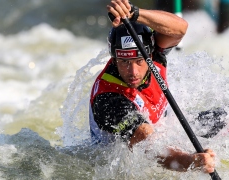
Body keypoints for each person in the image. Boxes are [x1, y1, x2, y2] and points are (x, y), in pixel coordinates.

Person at [89, 0, 216, 173]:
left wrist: (135, 13)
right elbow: (150, 146)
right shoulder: (109, 100)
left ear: (150, 51)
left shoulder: (155, 53)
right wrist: (191, 162)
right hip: (119, 169)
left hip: (162, 131)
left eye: (139, 60)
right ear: (114, 58)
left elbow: (180, 28)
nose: (133, 71)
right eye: (124, 61)